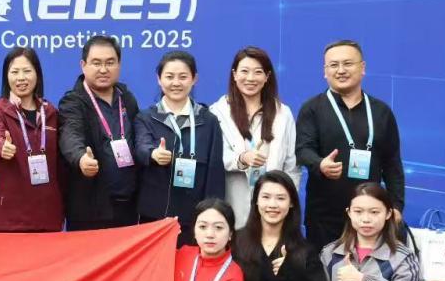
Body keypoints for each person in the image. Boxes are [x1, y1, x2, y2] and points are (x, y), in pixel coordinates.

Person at [295, 40, 406, 252]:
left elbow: (392, 164)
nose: (341, 70)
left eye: (347, 63)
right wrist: (320, 164)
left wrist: (397, 206)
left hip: (369, 216)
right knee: (324, 270)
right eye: (333, 65)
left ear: (362, 68)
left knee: (369, 270)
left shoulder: (381, 112)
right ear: (325, 71)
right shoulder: (312, 109)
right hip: (324, 215)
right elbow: (302, 149)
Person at [135, 51, 225, 245]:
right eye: (169, 77)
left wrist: (212, 215)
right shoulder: (146, 117)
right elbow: (141, 146)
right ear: (159, 79)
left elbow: (215, 173)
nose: (176, 83)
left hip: (195, 220)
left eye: (183, 77)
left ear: (194, 79)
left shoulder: (208, 121)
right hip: (153, 218)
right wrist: (153, 154)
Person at [209, 47, 299, 229]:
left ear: (267, 77)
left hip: (273, 209)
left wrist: (286, 200)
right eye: (244, 71)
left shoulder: (283, 114)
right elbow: (215, 156)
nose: (250, 78)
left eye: (258, 72)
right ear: (234, 75)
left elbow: (292, 164)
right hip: (233, 205)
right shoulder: (218, 112)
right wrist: (242, 159)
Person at [58, 35, 141, 230]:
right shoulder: (73, 102)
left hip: (128, 207)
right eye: (96, 63)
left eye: (110, 63)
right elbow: (70, 134)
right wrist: (80, 158)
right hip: (90, 210)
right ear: (83, 65)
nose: (103, 69)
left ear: (119, 65)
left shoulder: (127, 98)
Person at [0, 47, 64, 232]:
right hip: (7, 219)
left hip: (47, 216)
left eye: (27, 71)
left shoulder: (51, 112)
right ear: (6, 76)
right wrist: (1, 146)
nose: (21, 78)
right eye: (14, 72)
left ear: (37, 75)